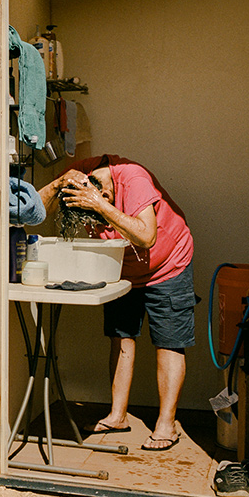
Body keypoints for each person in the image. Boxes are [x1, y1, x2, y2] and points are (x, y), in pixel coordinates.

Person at [38, 155, 195, 451]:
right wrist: (58, 184)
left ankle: (166, 424)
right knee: (120, 335)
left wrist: (100, 206)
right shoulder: (79, 175)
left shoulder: (132, 178)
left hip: (169, 263)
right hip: (125, 267)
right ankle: (116, 416)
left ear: (107, 195)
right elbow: (34, 210)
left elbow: (147, 237)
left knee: (169, 341)